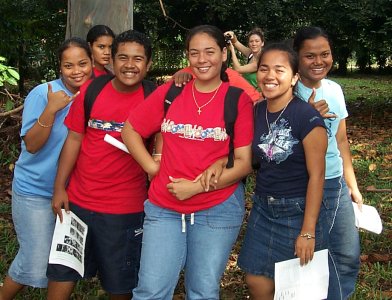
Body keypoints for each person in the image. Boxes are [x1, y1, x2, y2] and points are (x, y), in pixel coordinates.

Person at [121, 24, 254, 299]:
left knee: (202, 291)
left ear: (223, 55)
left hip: (216, 207)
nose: (202, 60)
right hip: (164, 207)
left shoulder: (236, 99)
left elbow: (243, 163)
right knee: (149, 292)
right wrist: (151, 167)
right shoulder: (173, 92)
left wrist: (196, 188)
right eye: (195, 53)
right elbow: (130, 130)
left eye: (209, 52)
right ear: (188, 56)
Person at [46, 29, 153, 300]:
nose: (130, 65)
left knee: (119, 284)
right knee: (62, 274)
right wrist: (60, 187)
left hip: (124, 211)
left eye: (138, 59)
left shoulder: (154, 97)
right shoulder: (92, 89)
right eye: (122, 57)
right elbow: (74, 139)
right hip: (78, 203)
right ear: (110, 60)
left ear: (148, 64)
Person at [0, 37, 92, 300]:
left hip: (75, 193)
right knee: (36, 259)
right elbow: (31, 145)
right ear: (60, 67)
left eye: (82, 63)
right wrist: (51, 110)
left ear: (92, 62)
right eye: (69, 65)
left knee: (66, 260)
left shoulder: (95, 93)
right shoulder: (44, 94)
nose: (77, 71)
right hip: (35, 191)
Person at [237, 42, 329, 299]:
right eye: (264, 68)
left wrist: (307, 231)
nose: (270, 76)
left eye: (279, 69)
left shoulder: (307, 118)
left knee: (299, 289)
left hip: (298, 210)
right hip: (263, 208)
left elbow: (317, 176)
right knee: (256, 279)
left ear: (294, 77)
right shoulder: (256, 111)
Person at [293, 26, 361, 300]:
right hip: (303, 185)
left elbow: (341, 141)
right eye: (310, 55)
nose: (318, 61)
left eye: (325, 54)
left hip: (335, 183)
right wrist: (306, 116)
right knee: (311, 256)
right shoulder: (287, 91)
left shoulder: (334, 89)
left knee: (347, 254)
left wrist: (352, 186)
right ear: (296, 57)